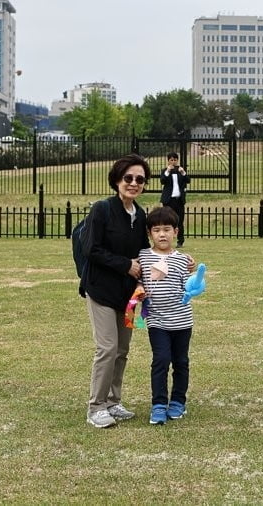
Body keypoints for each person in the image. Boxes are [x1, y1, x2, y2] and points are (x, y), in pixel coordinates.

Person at [81, 154, 151, 429]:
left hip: (129, 294)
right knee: (107, 347)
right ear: (117, 180)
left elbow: (142, 253)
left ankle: (113, 401)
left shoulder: (140, 214)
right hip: (100, 290)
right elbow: (91, 249)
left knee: (122, 349)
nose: (134, 183)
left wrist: (172, 259)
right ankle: (96, 406)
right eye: (128, 178)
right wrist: (126, 266)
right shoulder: (102, 209)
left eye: (140, 179)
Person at [137, 206, 195, 425]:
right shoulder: (143, 256)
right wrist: (139, 289)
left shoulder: (182, 260)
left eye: (167, 229)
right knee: (161, 360)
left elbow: (187, 288)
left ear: (176, 232)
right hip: (157, 321)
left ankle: (178, 401)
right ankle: (159, 404)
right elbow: (138, 280)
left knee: (181, 362)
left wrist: (194, 284)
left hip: (182, 321)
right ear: (149, 233)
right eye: (157, 230)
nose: (162, 234)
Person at [159, 152, 190, 247]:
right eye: (171, 160)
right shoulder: (165, 170)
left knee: (180, 221)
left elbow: (188, 180)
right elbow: (162, 181)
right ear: (168, 160)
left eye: (175, 160)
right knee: (167, 221)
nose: (173, 161)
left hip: (179, 200)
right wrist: (168, 171)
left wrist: (183, 173)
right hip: (169, 200)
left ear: (177, 160)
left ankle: (180, 241)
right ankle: (167, 241)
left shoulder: (180, 170)